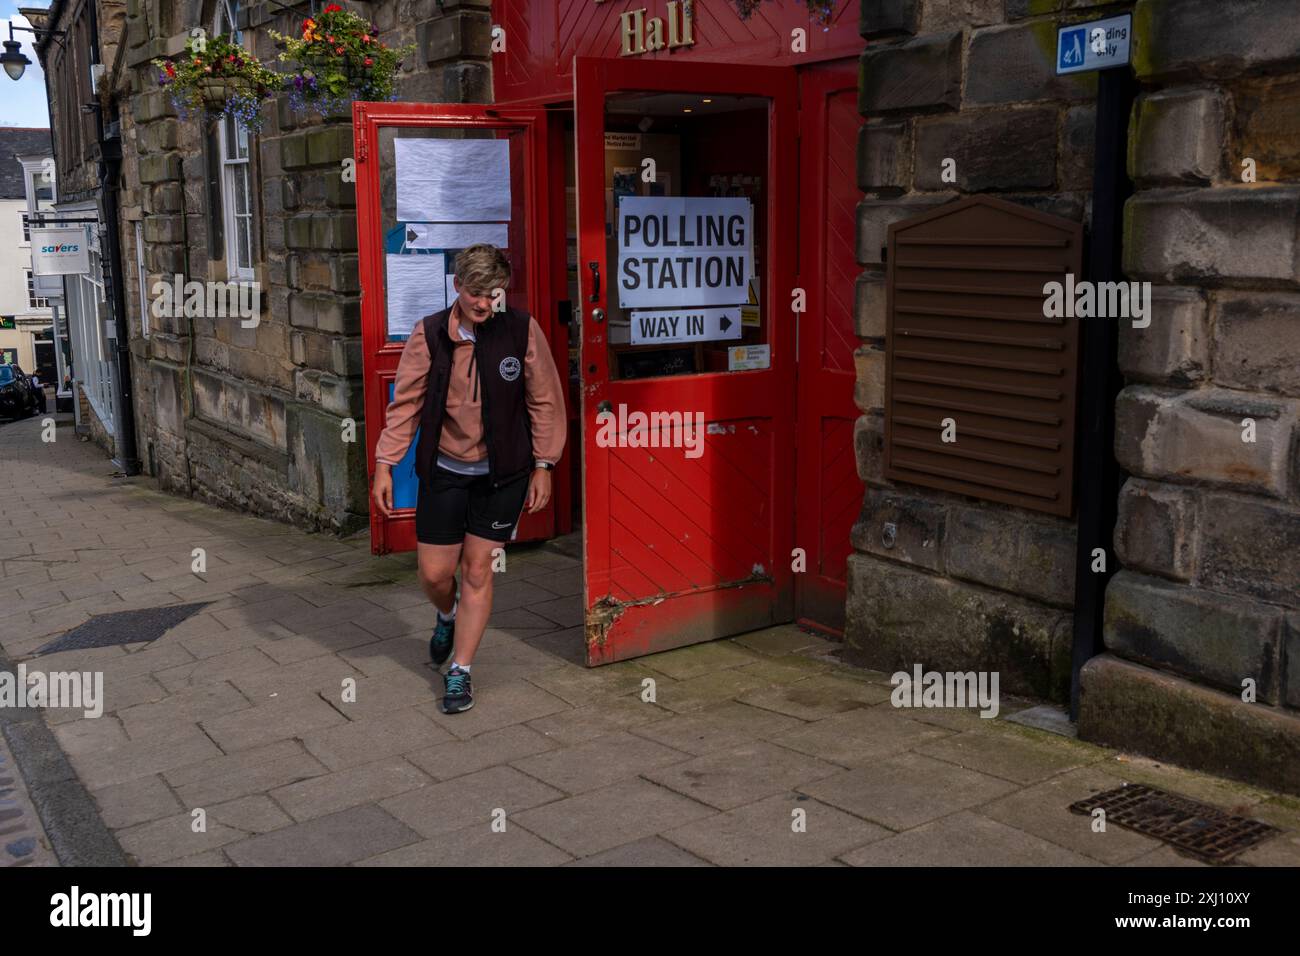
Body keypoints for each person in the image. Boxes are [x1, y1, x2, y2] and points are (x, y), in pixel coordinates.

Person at [371, 244, 566, 714]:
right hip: (444, 471)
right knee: (436, 574)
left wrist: (545, 465)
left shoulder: (521, 331)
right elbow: (407, 405)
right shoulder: (430, 333)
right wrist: (385, 463)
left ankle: (460, 670)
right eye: (476, 293)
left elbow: (544, 400)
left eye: (494, 294)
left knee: (477, 569)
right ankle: (446, 614)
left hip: (503, 474)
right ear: (458, 287)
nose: (484, 303)